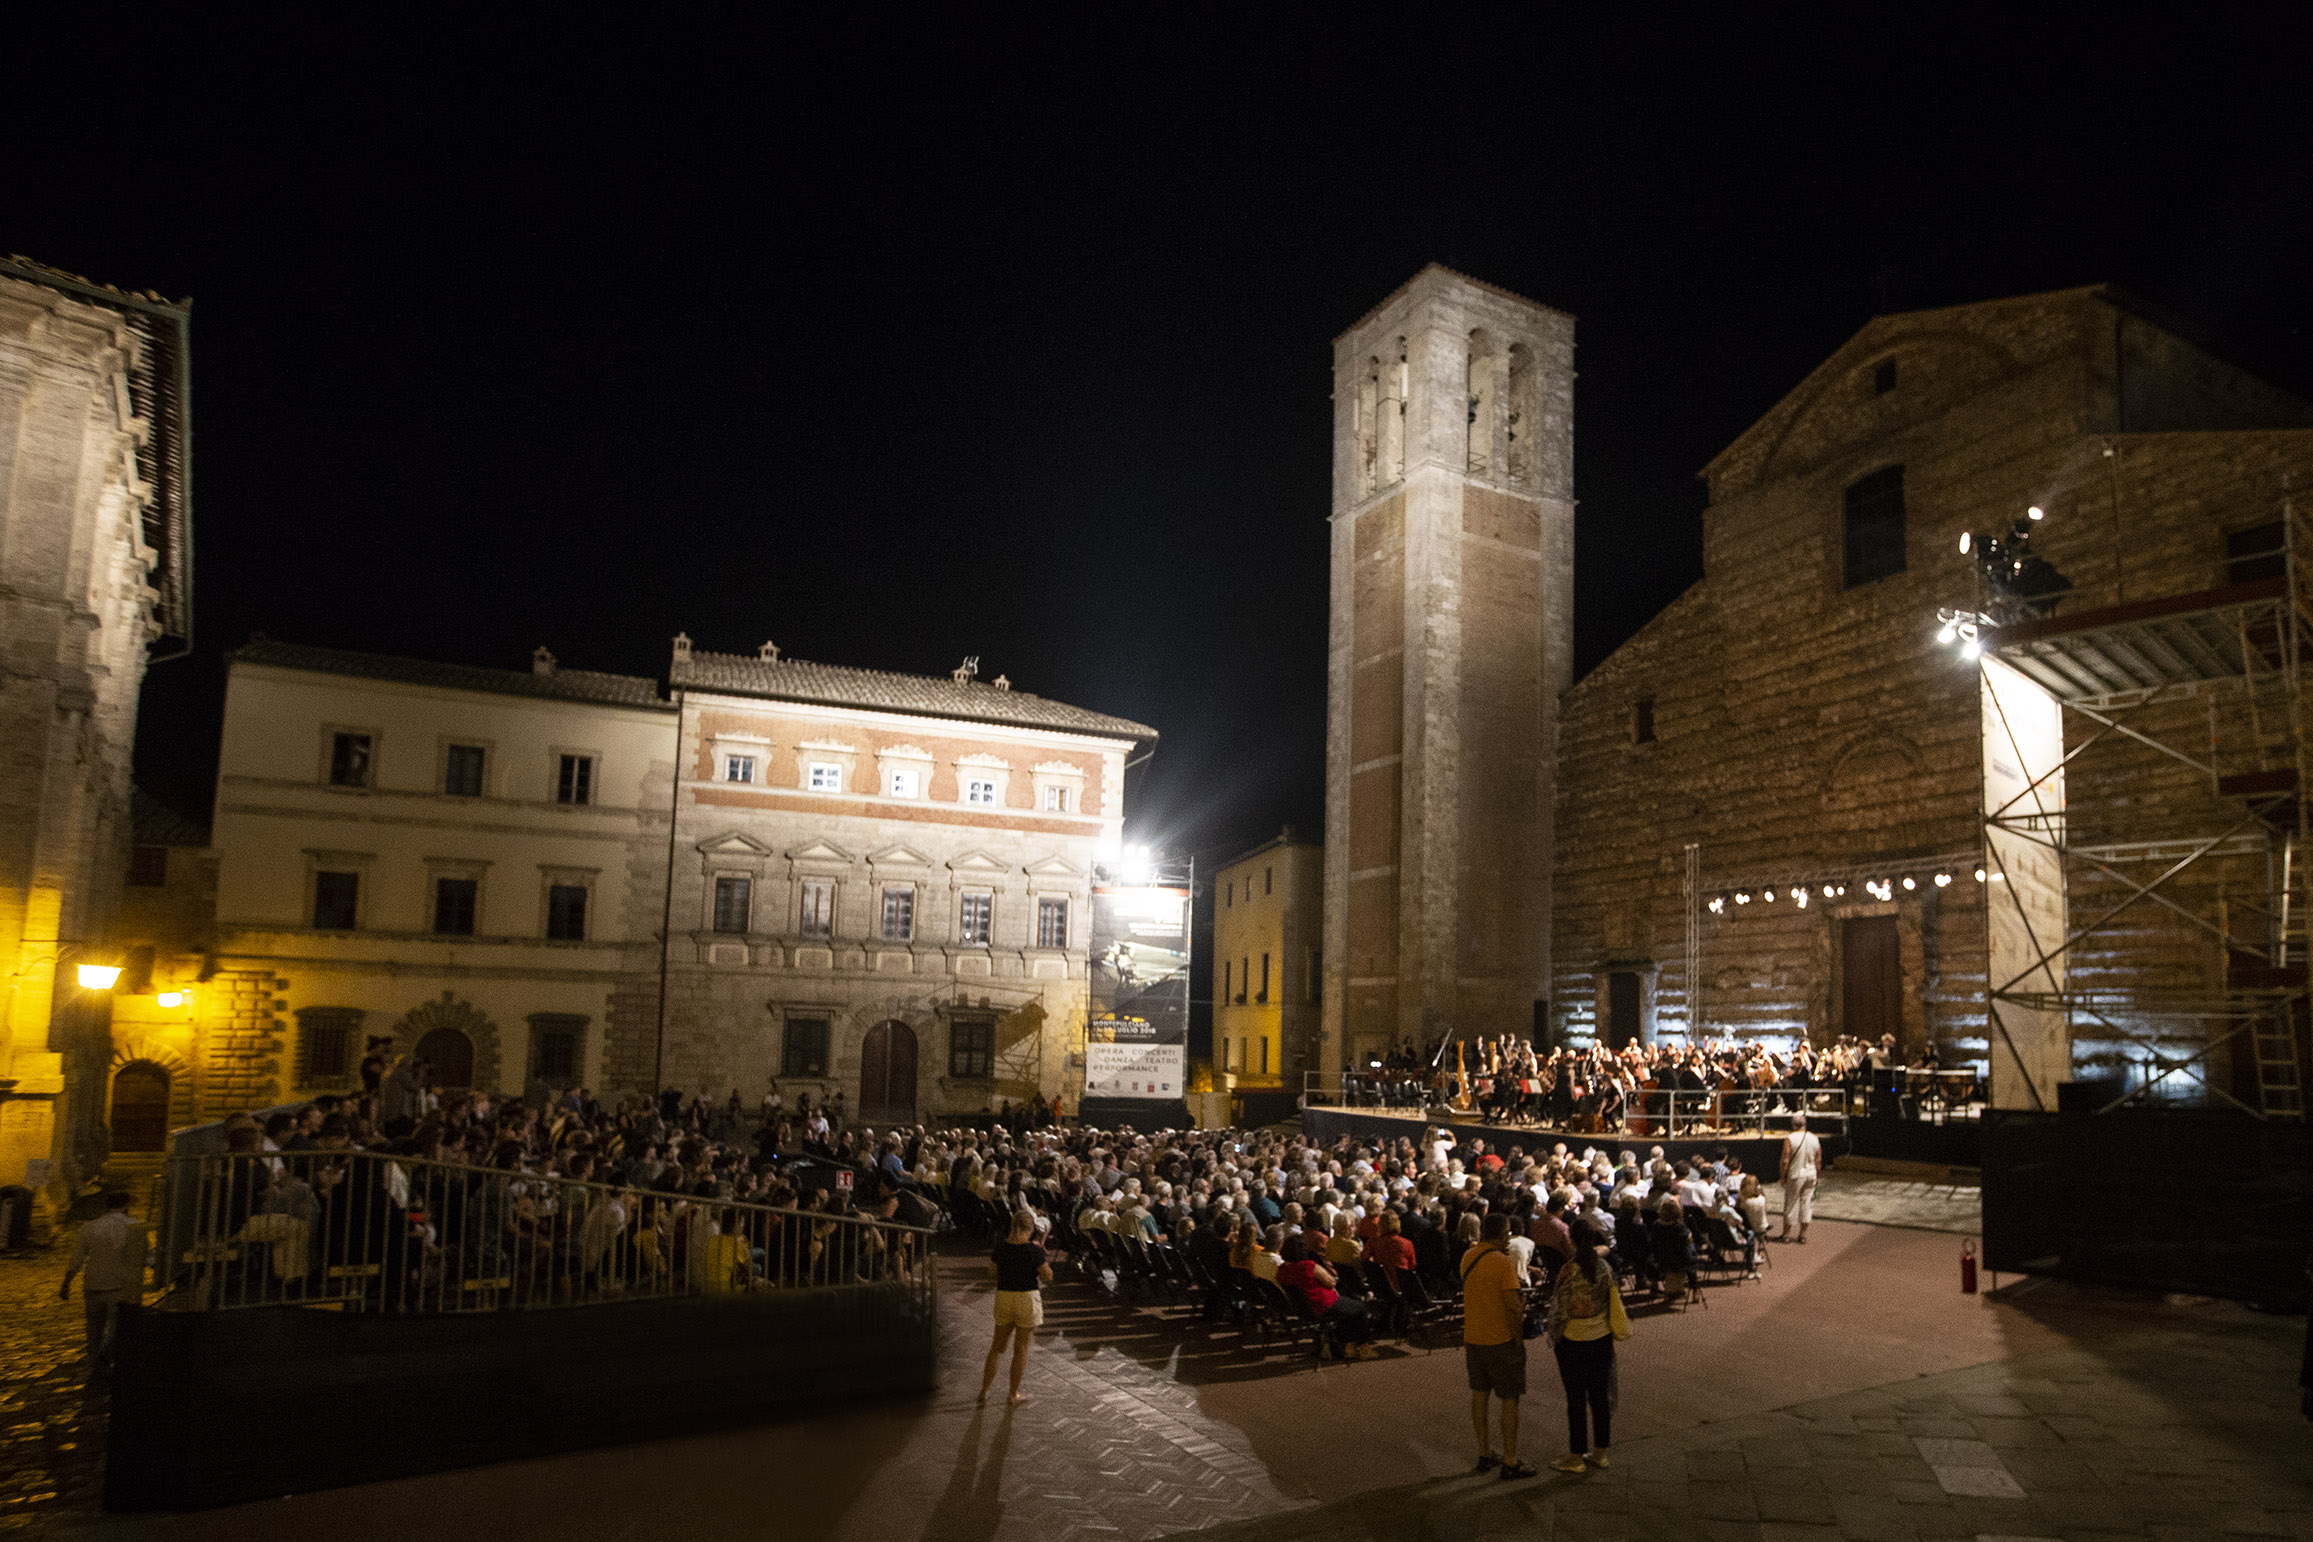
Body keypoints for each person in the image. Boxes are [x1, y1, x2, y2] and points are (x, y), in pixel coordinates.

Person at [1547, 1221, 1631, 1472]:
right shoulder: (1603, 1268)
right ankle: (1600, 1452)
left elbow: (1558, 1306)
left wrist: (1555, 1334)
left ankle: (1575, 1456)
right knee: (1599, 1397)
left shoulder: (1568, 1270)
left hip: (1573, 1339)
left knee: (1575, 1399)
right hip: (1600, 1337)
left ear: (1571, 1240)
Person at [1461, 1212, 1535, 1481]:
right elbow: (1513, 1308)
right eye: (1507, 1234)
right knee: (1509, 1399)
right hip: (1500, 1338)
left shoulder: (1468, 1257)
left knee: (1479, 1395)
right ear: (1501, 1234)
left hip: (1473, 1336)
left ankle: (1484, 1453)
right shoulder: (1503, 1264)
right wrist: (1518, 1339)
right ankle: (1510, 1459)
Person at [59, 1190, 147, 1366]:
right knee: (118, 1326)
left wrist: (66, 1284)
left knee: (93, 1327)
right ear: (126, 1206)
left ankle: (95, 1361)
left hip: (93, 1283)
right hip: (120, 1285)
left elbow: (76, 1260)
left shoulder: (89, 1227)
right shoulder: (135, 1227)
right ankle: (105, 1355)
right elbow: (145, 1256)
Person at [981, 1208, 1051, 1407]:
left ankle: (984, 1390)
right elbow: (1047, 1275)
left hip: (1004, 1296)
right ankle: (1013, 1394)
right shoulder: (1034, 1250)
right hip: (1026, 1298)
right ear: (1029, 1229)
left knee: (997, 1347)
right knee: (1020, 1349)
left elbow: (992, 1273)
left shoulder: (1000, 1247)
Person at [1777, 1112, 1822, 1244]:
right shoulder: (1814, 1138)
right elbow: (1818, 1160)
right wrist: (1817, 1176)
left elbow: (1785, 1160)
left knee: (1791, 1204)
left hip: (1795, 1174)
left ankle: (1786, 1234)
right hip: (1810, 1174)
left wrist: (1782, 1175)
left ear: (1793, 1124)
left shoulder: (1790, 1139)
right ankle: (1803, 1234)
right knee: (1807, 1203)